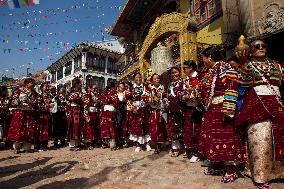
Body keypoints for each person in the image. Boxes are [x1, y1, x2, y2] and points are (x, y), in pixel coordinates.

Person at [235, 38, 284, 189]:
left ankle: (278, 173)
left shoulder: (276, 65)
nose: (261, 48)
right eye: (257, 46)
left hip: (276, 103)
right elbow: (241, 82)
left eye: (263, 46)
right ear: (251, 50)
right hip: (257, 104)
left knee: (278, 138)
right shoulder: (247, 66)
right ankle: (260, 176)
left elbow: (280, 82)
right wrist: (243, 62)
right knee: (260, 138)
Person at [198, 46, 246, 183]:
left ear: (210, 58)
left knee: (226, 137)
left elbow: (232, 85)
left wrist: (228, 108)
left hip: (222, 108)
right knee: (213, 137)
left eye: (203, 58)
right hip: (211, 108)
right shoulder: (210, 71)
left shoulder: (225, 68)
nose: (203, 61)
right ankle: (218, 165)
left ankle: (231, 170)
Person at [7, 78, 38, 153]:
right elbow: (13, 102)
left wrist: (33, 103)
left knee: (29, 128)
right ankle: (16, 147)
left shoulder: (34, 92)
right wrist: (19, 101)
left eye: (34, 83)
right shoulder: (18, 91)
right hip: (20, 112)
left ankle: (27, 147)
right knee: (19, 128)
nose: (33, 85)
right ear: (27, 83)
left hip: (30, 112)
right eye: (32, 83)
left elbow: (37, 101)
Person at [181, 60, 203, 162]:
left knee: (198, 130)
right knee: (189, 130)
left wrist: (193, 95)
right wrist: (183, 96)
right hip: (189, 107)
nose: (184, 70)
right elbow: (183, 92)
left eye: (185, 68)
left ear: (191, 68)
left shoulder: (200, 77)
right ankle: (192, 150)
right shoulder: (186, 80)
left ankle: (199, 152)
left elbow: (202, 91)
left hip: (199, 108)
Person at [128, 73, 151, 152]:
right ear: (134, 78)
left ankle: (147, 143)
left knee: (146, 125)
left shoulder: (146, 87)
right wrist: (132, 108)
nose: (139, 79)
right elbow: (128, 100)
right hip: (135, 110)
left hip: (144, 109)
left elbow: (149, 97)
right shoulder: (131, 88)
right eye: (137, 77)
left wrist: (147, 99)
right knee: (136, 127)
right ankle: (138, 144)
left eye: (140, 77)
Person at [145, 74, 167, 154]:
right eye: (154, 79)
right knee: (154, 128)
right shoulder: (149, 88)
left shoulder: (163, 88)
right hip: (153, 111)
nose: (156, 80)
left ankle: (161, 144)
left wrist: (165, 102)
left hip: (162, 111)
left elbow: (165, 98)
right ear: (152, 80)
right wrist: (152, 99)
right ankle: (156, 145)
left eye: (158, 78)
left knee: (161, 127)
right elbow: (145, 98)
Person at [165, 67, 183, 157]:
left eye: (176, 72)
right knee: (172, 129)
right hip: (171, 110)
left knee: (180, 129)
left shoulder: (183, 82)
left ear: (179, 73)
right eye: (172, 73)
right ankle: (175, 148)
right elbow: (168, 96)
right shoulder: (169, 84)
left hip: (181, 110)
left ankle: (185, 148)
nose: (174, 74)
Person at [99, 81, 119, 150]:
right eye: (115, 87)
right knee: (112, 127)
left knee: (105, 127)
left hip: (106, 111)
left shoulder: (104, 93)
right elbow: (116, 102)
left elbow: (102, 102)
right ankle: (112, 145)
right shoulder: (113, 94)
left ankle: (105, 143)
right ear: (113, 87)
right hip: (110, 111)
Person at [67, 78, 83, 151]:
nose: (81, 85)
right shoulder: (72, 92)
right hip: (74, 110)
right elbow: (70, 99)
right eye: (79, 83)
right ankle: (72, 145)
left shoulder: (79, 92)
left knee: (78, 126)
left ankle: (77, 143)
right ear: (76, 84)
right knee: (73, 126)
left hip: (78, 110)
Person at [82, 84, 100, 149]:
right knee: (89, 128)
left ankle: (94, 142)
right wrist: (86, 115)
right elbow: (85, 106)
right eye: (94, 88)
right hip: (90, 113)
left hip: (96, 113)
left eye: (96, 88)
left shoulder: (97, 96)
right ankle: (89, 144)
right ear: (91, 89)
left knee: (95, 128)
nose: (95, 90)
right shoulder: (87, 95)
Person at [36, 82, 52, 151]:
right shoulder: (39, 95)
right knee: (41, 128)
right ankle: (40, 144)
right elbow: (38, 105)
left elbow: (51, 103)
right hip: (41, 114)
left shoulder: (49, 95)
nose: (47, 88)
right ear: (42, 88)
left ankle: (45, 144)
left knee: (46, 128)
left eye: (48, 87)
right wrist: (46, 106)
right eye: (46, 87)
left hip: (47, 113)